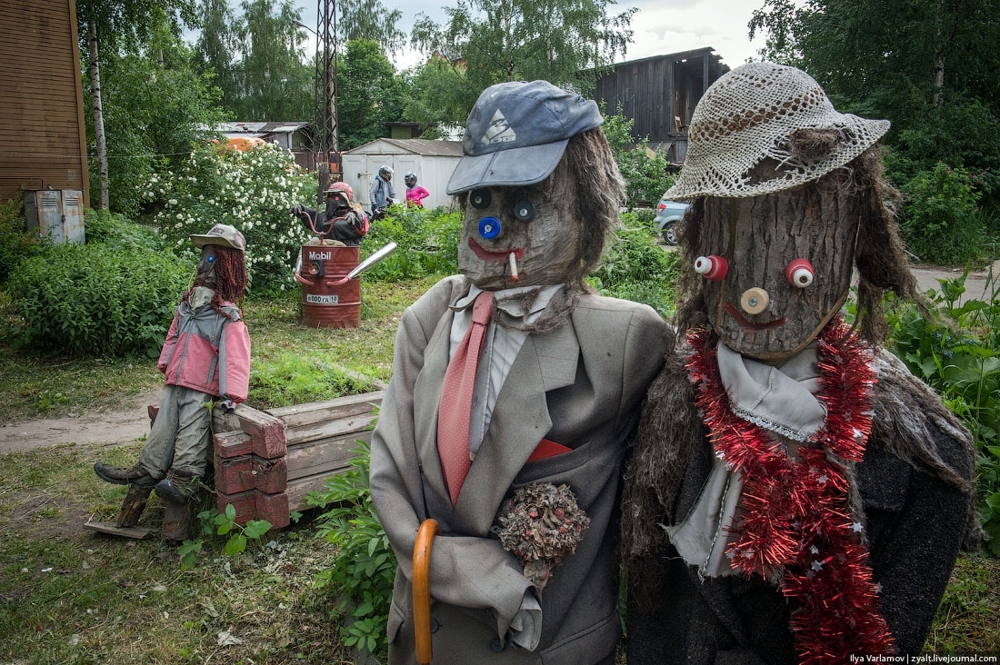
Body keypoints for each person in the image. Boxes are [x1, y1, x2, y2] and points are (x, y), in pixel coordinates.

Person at [620, 62, 979, 664]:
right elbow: (650, 603)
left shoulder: (923, 451)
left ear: (852, 236)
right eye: (732, 238)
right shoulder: (666, 398)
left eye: (795, 239)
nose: (757, 291)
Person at [369, 80, 671, 665]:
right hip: (427, 636)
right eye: (480, 202)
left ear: (587, 208)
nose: (492, 228)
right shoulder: (430, 317)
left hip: (545, 646)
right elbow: (391, 476)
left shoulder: (625, 340)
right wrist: (477, 574)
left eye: (525, 205)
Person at [94, 224, 251, 508]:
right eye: (203, 258)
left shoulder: (227, 317)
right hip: (176, 381)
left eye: (212, 259)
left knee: (193, 429)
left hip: (200, 388)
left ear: (229, 265)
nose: (204, 266)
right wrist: (166, 364)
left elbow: (235, 358)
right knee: (162, 429)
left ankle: (185, 479)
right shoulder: (187, 306)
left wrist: (231, 396)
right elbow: (173, 335)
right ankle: (145, 470)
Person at [291, 181, 369, 246]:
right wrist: (301, 209)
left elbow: (363, 220)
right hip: (326, 257)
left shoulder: (353, 215)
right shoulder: (324, 217)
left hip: (346, 256)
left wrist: (355, 214)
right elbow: (311, 215)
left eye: (336, 197)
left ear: (345, 198)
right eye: (330, 196)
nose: (332, 200)